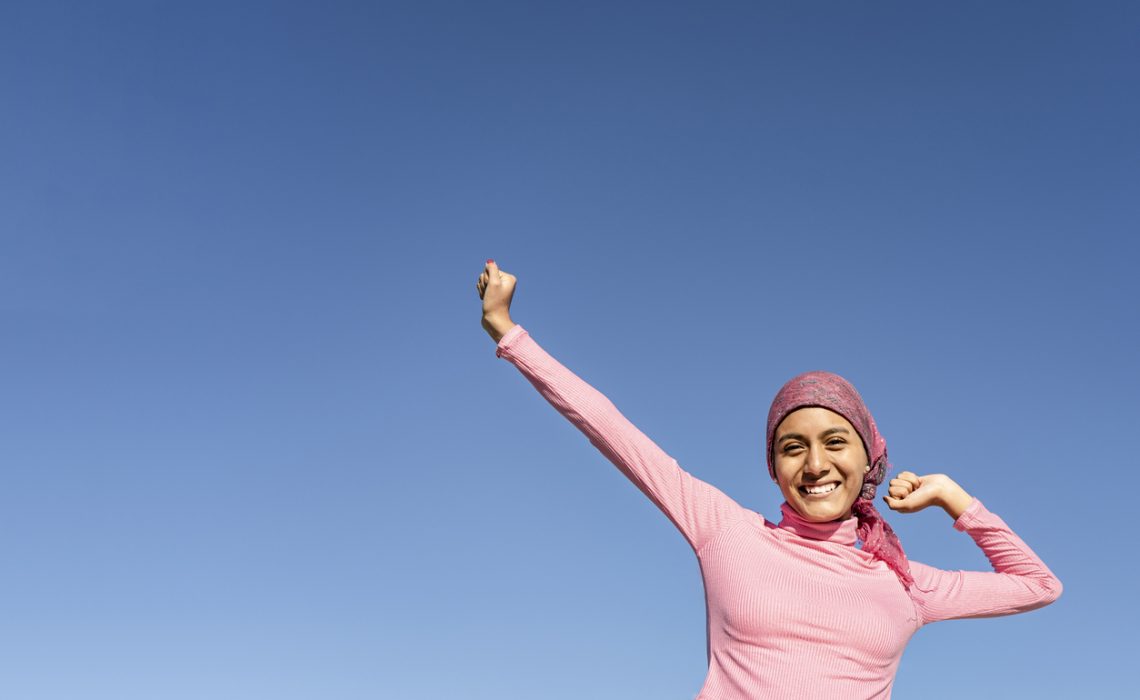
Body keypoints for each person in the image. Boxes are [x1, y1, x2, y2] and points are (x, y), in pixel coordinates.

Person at [475, 260, 1062, 700]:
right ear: (773, 464)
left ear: (869, 459)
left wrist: (952, 497)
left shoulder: (906, 583)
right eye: (792, 448)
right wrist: (510, 334)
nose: (813, 466)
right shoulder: (727, 530)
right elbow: (611, 427)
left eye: (835, 443)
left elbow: (1039, 585)